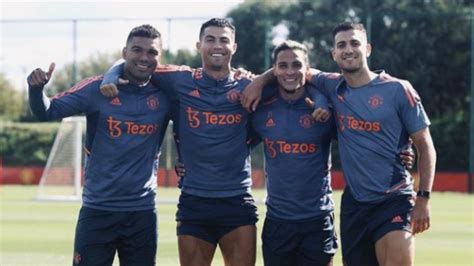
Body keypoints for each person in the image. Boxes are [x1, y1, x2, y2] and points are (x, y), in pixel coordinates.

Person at [242, 22, 436, 266]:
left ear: (367, 48)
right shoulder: (332, 85)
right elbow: (293, 72)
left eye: (354, 43)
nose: (348, 50)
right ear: (333, 54)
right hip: (354, 204)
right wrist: (260, 81)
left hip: (393, 197)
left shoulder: (398, 89)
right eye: (341, 45)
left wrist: (424, 198)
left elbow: (425, 145)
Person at [100, 18, 258, 266]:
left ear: (234, 47)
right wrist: (110, 75)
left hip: (237, 200)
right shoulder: (178, 79)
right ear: (199, 45)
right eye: (210, 39)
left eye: (224, 40)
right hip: (194, 201)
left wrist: (263, 79)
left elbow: (294, 78)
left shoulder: (249, 85)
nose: (217, 45)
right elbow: (138, 61)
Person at [27, 24, 170, 266]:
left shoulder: (167, 92)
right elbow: (47, 111)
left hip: (142, 213)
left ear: (160, 57)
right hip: (97, 211)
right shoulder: (95, 89)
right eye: (137, 50)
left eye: (152, 52)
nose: (145, 57)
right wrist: (36, 89)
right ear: (124, 52)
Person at [249, 40, 337, 266]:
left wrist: (402, 149)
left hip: (317, 220)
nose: (290, 71)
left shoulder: (325, 107)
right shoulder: (261, 108)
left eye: (296, 65)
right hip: (278, 222)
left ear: (307, 70)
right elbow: (232, 143)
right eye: (283, 65)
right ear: (274, 69)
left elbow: (361, 136)